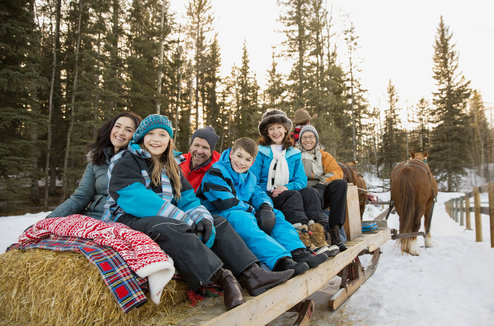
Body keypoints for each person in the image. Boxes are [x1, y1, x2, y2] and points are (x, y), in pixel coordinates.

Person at [102, 115, 293, 310]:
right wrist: (183, 218)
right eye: (150, 134)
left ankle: (252, 274)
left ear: (169, 139)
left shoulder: (172, 165)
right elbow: (135, 198)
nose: (156, 139)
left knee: (217, 222)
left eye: (162, 134)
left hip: (164, 216)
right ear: (142, 137)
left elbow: (188, 199)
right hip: (127, 217)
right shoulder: (128, 160)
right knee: (170, 226)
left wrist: (202, 218)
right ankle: (222, 278)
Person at [198, 137, 328, 276]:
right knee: (243, 219)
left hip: (241, 211)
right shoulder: (217, 171)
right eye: (239, 156)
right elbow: (225, 202)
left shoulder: (250, 177)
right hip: (217, 214)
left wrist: (266, 207)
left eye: (247, 160)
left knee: (276, 215)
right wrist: (254, 211)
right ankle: (279, 260)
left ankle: (297, 251)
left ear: (253, 162)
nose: (242, 162)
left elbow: (258, 193)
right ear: (231, 153)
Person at [249, 109, 329, 251]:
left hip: (288, 193)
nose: (276, 132)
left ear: (286, 129)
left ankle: (319, 237)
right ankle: (303, 240)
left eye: (279, 127)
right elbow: (252, 181)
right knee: (294, 195)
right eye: (271, 128)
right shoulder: (260, 152)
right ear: (266, 132)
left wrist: (286, 187)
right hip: (267, 195)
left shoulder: (293, 153)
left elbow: (300, 181)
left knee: (310, 192)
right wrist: (273, 191)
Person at [47, 112, 142, 219]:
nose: (120, 132)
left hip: (121, 220)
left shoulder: (138, 162)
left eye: (128, 130)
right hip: (91, 216)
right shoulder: (97, 160)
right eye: (117, 126)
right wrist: (49, 219)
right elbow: (81, 196)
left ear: (136, 136)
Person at [297, 125, 348, 252]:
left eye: (311, 137)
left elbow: (336, 172)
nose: (307, 140)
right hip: (303, 192)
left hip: (321, 191)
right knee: (310, 192)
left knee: (340, 185)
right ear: (300, 140)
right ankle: (316, 235)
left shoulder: (323, 155)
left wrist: (322, 183)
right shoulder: (294, 155)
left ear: (316, 139)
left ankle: (335, 231)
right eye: (304, 137)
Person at [180, 126, 221, 192]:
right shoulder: (180, 160)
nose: (199, 151)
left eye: (205, 147)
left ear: (211, 151)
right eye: (196, 145)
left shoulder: (217, 171)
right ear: (191, 146)